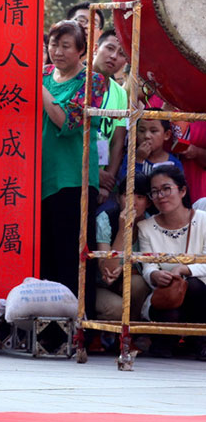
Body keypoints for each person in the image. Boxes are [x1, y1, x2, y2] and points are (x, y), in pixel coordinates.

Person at [41, 20, 107, 318]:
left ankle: (80, 327)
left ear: (82, 50)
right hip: (39, 178)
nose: (57, 51)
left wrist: (38, 87)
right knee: (45, 256)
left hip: (73, 180)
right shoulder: (43, 74)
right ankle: (49, 328)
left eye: (66, 46)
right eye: (53, 45)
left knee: (73, 257)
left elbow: (68, 122)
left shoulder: (93, 81)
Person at [138, 166, 206, 360]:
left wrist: (184, 269)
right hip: (167, 296)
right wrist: (155, 275)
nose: (161, 196)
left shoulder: (204, 221)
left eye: (166, 189)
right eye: (155, 191)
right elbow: (148, 265)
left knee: (194, 286)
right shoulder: (146, 228)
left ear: (182, 190)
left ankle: (200, 341)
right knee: (172, 303)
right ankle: (166, 341)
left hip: (201, 294)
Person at [94, 173, 150, 322]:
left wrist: (125, 269)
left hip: (128, 284)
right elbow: (107, 270)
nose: (133, 202)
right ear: (118, 198)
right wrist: (123, 230)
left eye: (140, 197)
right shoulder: (105, 218)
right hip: (101, 286)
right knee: (117, 308)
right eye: (127, 195)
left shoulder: (150, 222)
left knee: (138, 284)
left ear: (148, 203)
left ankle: (133, 329)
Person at [92, 29, 129, 205]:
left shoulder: (120, 93)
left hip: (101, 183)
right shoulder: (75, 80)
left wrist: (107, 182)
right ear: (95, 48)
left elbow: (117, 142)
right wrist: (92, 171)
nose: (114, 56)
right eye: (109, 48)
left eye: (121, 54)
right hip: (72, 175)